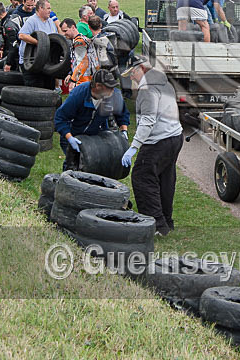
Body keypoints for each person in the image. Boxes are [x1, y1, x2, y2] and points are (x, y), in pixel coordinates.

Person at [120, 56, 184, 236]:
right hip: (174, 136)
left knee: (142, 178)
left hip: (158, 141)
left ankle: (155, 225)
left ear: (142, 68)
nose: (131, 77)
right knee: (165, 178)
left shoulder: (147, 89)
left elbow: (148, 120)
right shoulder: (164, 82)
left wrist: (134, 147)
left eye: (133, 73)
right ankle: (166, 222)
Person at [53, 69, 129, 171]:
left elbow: (122, 113)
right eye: (109, 87)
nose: (113, 91)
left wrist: (124, 131)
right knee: (74, 165)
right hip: (73, 135)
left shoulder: (114, 95)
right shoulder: (79, 94)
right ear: (98, 86)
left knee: (96, 166)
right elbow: (60, 118)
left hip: (96, 135)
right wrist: (70, 138)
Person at [17, 0, 58, 89]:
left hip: (46, 62)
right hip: (31, 62)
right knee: (35, 89)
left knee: (49, 87)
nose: (50, 11)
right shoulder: (32, 21)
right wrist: (39, 43)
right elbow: (22, 35)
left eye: (50, 8)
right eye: (48, 8)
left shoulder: (50, 21)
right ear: (40, 8)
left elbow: (55, 37)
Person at [61, 18, 91, 88]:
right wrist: (70, 74)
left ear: (73, 27)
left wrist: (73, 80)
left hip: (83, 81)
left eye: (65, 31)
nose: (64, 34)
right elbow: (75, 62)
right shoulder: (79, 39)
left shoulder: (79, 42)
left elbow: (83, 63)